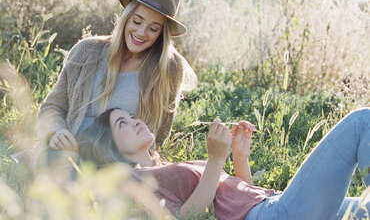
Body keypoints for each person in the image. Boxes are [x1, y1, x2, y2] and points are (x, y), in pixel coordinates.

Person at [11, 0, 196, 167]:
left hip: (118, 167)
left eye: (153, 28)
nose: (141, 32)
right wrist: (56, 132)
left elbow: (160, 131)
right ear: (127, 17)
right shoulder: (87, 51)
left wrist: (132, 159)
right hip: (64, 155)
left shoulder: (169, 69)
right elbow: (52, 106)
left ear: (162, 35)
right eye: (137, 21)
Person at [77, 107, 370, 220]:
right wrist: (216, 159)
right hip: (276, 215)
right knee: (361, 122)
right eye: (122, 123)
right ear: (110, 147)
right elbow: (186, 217)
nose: (135, 120)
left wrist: (239, 156)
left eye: (131, 115)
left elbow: (240, 201)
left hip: (274, 206)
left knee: (366, 208)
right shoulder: (133, 179)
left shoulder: (167, 165)